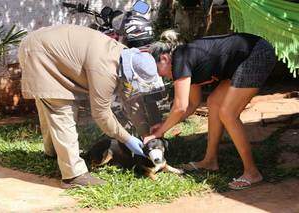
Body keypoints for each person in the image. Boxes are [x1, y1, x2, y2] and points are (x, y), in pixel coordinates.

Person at [18, 24, 163, 189]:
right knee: (61, 108)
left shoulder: (127, 57)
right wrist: (127, 139)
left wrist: (145, 134)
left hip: (45, 45)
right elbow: (101, 114)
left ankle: (53, 153)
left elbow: (131, 99)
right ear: (130, 74)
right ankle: (73, 175)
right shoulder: (105, 70)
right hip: (40, 53)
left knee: (50, 105)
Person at [144, 30, 276, 190]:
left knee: (228, 113)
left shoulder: (180, 59)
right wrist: (164, 125)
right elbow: (192, 104)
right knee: (213, 102)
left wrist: (158, 133)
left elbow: (180, 107)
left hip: (257, 53)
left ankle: (252, 172)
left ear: (164, 58)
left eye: (157, 70)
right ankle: (210, 161)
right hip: (244, 59)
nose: (159, 76)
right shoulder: (184, 61)